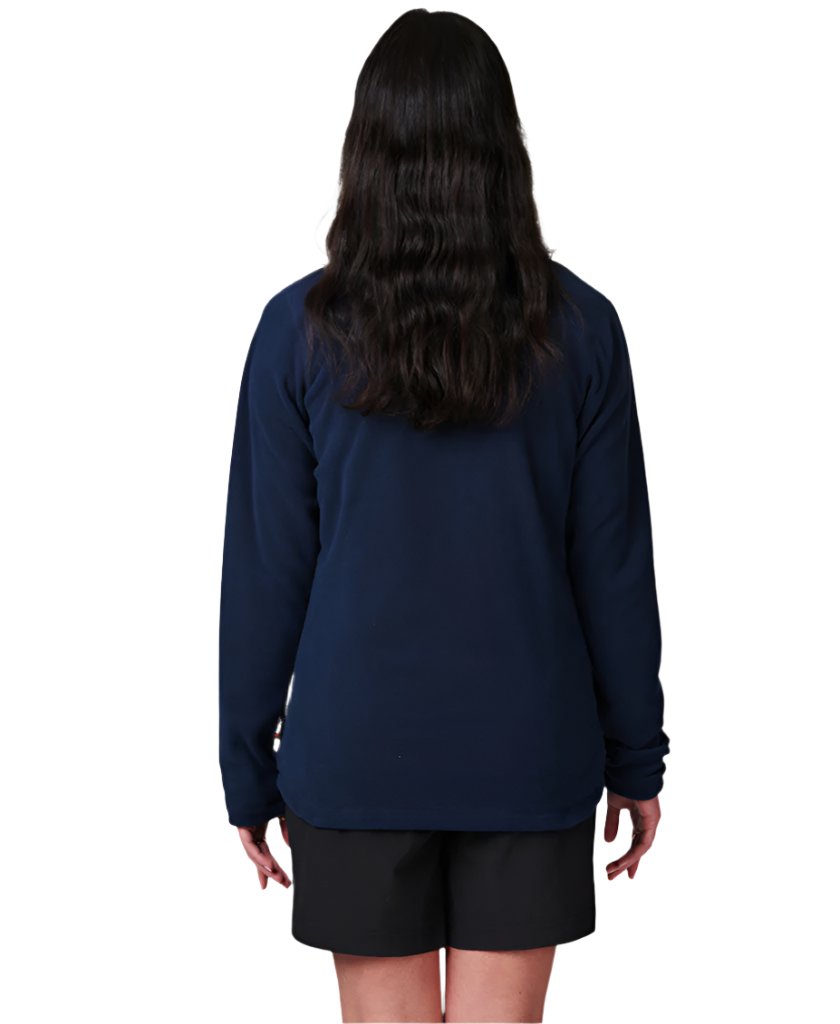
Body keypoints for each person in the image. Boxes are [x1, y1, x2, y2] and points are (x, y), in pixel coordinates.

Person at [218, 9, 670, 1023]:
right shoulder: (582, 331)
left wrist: (247, 769)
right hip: (527, 752)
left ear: (365, 151)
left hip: (356, 758)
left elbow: (266, 572)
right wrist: (637, 756)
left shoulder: (297, 334)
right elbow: (612, 568)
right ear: (502, 148)